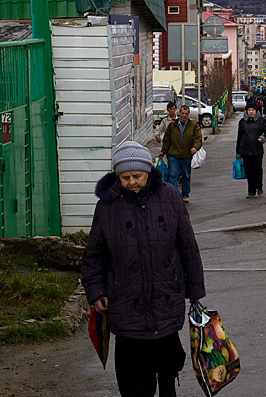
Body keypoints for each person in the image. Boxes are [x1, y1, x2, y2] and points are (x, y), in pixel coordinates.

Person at [82, 140, 205, 397]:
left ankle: (168, 387)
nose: (132, 182)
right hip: (126, 299)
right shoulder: (107, 206)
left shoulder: (169, 196)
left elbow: (188, 246)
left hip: (165, 294)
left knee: (167, 363)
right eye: (125, 177)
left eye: (137, 176)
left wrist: (195, 291)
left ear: (148, 172)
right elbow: (94, 255)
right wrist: (96, 292)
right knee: (135, 377)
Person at [158, 104, 203, 203]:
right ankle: (174, 195)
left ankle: (185, 194)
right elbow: (167, 140)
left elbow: (198, 139)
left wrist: (195, 147)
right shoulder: (172, 126)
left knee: (186, 175)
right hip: (173, 155)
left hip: (186, 155)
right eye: (182, 113)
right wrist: (163, 152)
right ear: (179, 113)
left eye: (186, 114)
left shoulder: (193, 126)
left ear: (188, 114)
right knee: (173, 175)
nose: (184, 115)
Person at [236, 103, 266, 198]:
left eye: (253, 110)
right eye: (249, 110)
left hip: (257, 150)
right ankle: (251, 190)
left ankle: (259, 187)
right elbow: (239, 137)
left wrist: (263, 138)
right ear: (246, 111)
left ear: (256, 111)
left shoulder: (261, 121)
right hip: (245, 150)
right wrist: (238, 152)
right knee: (249, 171)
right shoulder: (242, 122)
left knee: (257, 169)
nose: (251, 112)